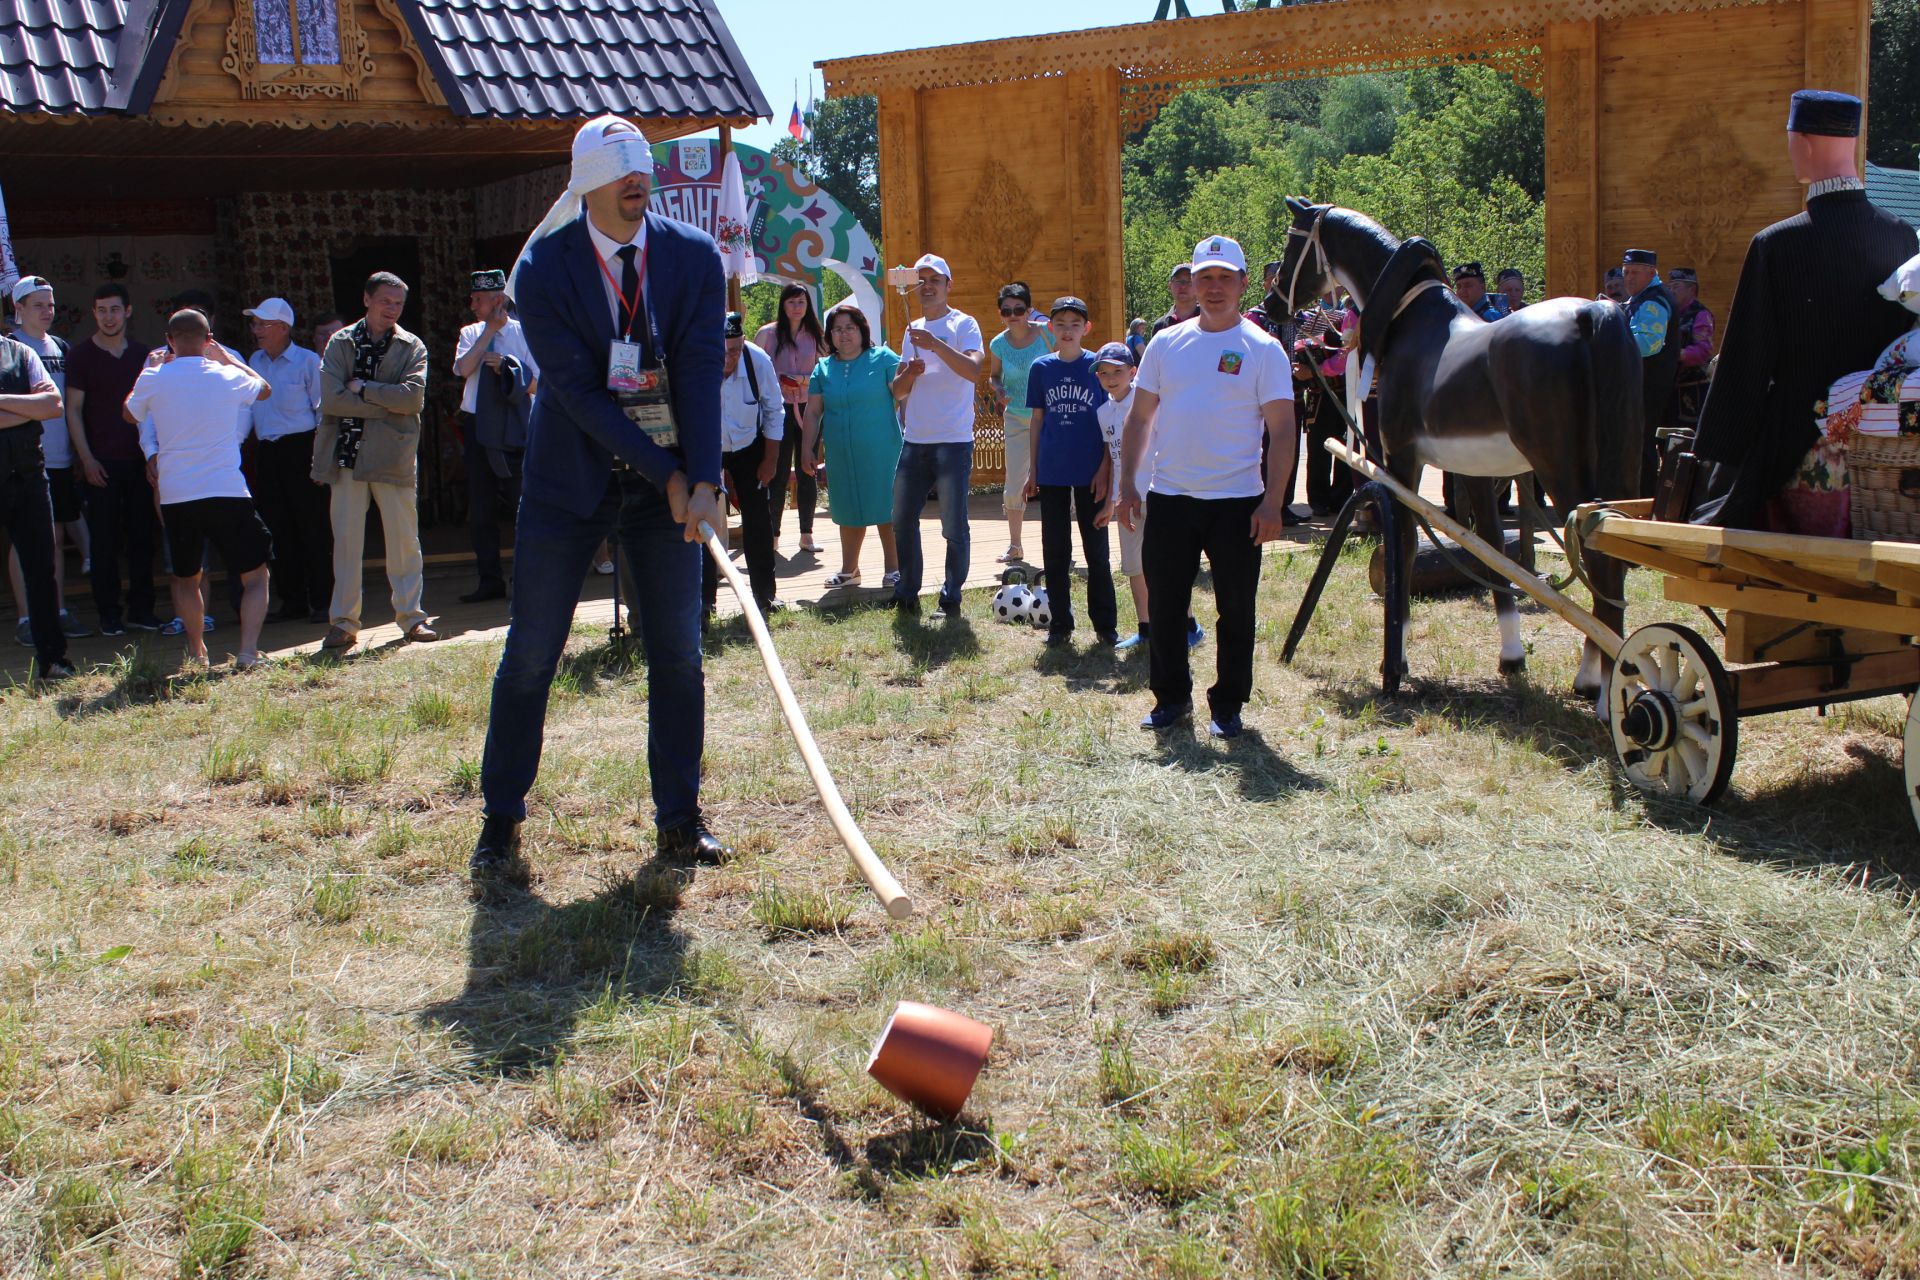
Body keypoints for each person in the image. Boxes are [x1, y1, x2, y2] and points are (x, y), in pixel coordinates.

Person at [473, 114, 730, 889]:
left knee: (679, 657)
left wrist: (705, 479)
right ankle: (501, 819)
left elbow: (696, 368)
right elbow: (579, 394)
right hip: (569, 485)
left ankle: (680, 821)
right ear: (586, 182)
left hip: (667, 491)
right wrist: (668, 470)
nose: (636, 182)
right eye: (619, 170)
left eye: (642, 169)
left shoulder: (691, 257)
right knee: (532, 654)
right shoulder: (543, 270)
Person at [1690, 90, 1919, 531]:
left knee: (1714, 504)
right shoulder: (1901, 237)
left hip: (1799, 439)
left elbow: (1746, 366)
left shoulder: (1777, 244)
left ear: (1804, 142)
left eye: (1790, 138)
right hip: (1885, 446)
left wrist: (1714, 452)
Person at [1113, 234, 1294, 740]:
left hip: (1238, 503)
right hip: (1171, 497)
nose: (1214, 288)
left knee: (1236, 608)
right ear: (1191, 283)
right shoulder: (1166, 344)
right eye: (1204, 278)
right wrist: (1128, 484)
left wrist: (1273, 501)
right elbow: (1139, 420)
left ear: (1241, 283)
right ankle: (1171, 700)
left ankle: (1228, 704)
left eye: (1224, 278)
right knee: (1166, 606)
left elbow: (1282, 430)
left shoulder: (1264, 349)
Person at [123, 309, 274, 668]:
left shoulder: (154, 376)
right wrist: (228, 360)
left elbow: (129, 414)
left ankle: (197, 651)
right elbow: (264, 390)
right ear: (209, 340)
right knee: (255, 574)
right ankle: (248, 652)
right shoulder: (226, 374)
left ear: (170, 340)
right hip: (226, 489)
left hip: (178, 493)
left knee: (186, 578)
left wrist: (148, 371)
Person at [314, 271, 437, 651]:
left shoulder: (411, 345)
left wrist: (365, 388)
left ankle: (412, 618)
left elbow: (412, 399)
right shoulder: (341, 342)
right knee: (347, 541)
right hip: (347, 454)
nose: (392, 309)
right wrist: (384, 406)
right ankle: (344, 622)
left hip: (392, 454)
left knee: (404, 540)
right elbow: (332, 399)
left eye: (398, 303)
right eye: (385, 301)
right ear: (367, 299)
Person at [889, 253, 984, 619]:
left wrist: (936, 346)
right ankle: (907, 592)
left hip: (953, 440)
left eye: (935, 280)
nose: (927, 286)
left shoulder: (964, 324)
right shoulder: (911, 329)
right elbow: (897, 392)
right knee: (902, 518)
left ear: (948, 286)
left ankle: (951, 597)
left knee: (953, 525)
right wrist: (909, 374)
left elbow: (974, 370)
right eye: (922, 280)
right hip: (915, 441)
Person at [1092, 341, 1201, 655]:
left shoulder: (1151, 405)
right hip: (1126, 501)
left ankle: (1188, 625)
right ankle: (1146, 628)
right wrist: (1111, 502)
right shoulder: (1103, 413)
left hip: (1159, 494)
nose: (1111, 378)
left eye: (1118, 371)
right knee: (1135, 568)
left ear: (1133, 372)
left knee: (1167, 566)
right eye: (1104, 373)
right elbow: (1115, 459)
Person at [65, 282, 158, 636]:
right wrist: (86, 459)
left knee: (141, 538)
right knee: (103, 543)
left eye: (115, 309)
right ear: (94, 313)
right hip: (100, 463)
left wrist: (153, 456)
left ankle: (142, 610)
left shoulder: (142, 356)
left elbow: (152, 407)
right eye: (102, 310)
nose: (108, 317)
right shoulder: (80, 356)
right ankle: (108, 614)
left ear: (128, 311)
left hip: (139, 462)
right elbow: (73, 411)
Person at [1023, 296, 1116, 646]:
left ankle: (1105, 625)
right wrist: (1033, 469)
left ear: (1086, 328)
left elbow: (1109, 422)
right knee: (1056, 549)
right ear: (1050, 328)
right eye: (1060, 324)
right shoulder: (1041, 368)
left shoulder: (1098, 366)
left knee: (1097, 551)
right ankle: (1060, 624)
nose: (1067, 330)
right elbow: (1037, 421)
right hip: (1053, 470)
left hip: (1091, 470)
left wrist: (1106, 467)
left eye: (1074, 324)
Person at [6, 276, 89, 645]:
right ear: (18, 309)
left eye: (50, 304)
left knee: (52, 540)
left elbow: (59, 406)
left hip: (60, 458)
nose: (47, 311)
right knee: (23, 540)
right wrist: (31, 410)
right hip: (21, 461)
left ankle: (56, 610)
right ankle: (27, 616)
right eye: (38, 305)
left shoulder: (59, 346)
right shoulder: (12, 349)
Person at [452, 268, 541, 604]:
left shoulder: (526, 332)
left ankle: (525, 579)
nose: (472, 304)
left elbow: (540, 385)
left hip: (517, 425)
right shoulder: (471, 331)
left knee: (523, 505)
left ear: (498, 300)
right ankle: (489, 579)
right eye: (473, 298)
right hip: (478, 427)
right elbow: (462, 369)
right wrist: (489, 330)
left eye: (479, 299)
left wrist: (508, 367)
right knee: (482, 509)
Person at [243, 296, 331, 625]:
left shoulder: (308, 362)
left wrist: (320, 458)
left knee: (314, 528)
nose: (256, 330)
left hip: (303, 449)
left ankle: (322, 601)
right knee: (277, 529)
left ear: (283, 328)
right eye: (254, 324)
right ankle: (292, 600)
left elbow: (323, 413)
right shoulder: (254, 360)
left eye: (262, 324)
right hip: (267, 451)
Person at [801, 305, 901, 588]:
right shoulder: (823, 367)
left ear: (862, 330)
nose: (843, 334)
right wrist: (807, 448)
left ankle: (894, 569)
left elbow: (904, 393)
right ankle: (850, 571)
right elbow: (812, 412)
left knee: (887, 507)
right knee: (847, 508)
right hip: (841, 453)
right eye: (837, 329)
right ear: (829, 335)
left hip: (882, 450)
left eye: (850, 328)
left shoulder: (883, 358)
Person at [0, 323, 74, 678]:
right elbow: (37, 406)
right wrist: (25, 409)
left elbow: (53, 405)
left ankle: (53, 659)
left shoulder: (21, 352)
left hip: (27, 478)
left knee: (42, 570)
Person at [702, 311, 783, 616]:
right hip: (707, 447)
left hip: (750, 445)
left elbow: (775, 411)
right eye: (721, 350)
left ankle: (765, 595)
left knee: (758, 517)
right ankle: (704, 601)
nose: (728, 357)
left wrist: (771, 460)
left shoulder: (758, 361)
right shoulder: (696, 360)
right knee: (705, 521)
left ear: (744, 343)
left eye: (735, 350)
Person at [986, 281, 1053, 564]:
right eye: (1007, 310)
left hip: (1049, 417)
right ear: (1000, 314)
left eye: (1019, 309)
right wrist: (998, 390)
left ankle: (1062, 544)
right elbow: (994, 375)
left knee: (1057, 481)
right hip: (1015, 418)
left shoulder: (1047, 334)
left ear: (1029, 310)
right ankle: (1015, 545)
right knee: (1015, 480)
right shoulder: (998, 344)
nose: (1013, 315)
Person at [755, 284, 825, 554]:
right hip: (776, 408)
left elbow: (824, 370)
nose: (797, 307)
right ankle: (772, 534)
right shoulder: (767, 334)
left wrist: (804, 380)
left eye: (802, 302)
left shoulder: (816, 335)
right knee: (778, 471)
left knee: (808, 468)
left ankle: (806, 534)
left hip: (809, 406)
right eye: (792, 302)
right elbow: (757, 371)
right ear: (783, 304)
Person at [1620, 249, 1679, 494]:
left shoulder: (1653, 301)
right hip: (1643, 386)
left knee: (1641, 445)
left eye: (1635, 272)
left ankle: (1643, 499)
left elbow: (1648, 345)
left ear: (1652, 273)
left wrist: (1610, 340)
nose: (1629, 278)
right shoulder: (1642, 298)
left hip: (1649, 387)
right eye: (1626, 272)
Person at [1666, 267, 1715, 431]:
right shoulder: (1668, 314)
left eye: (1676, 286)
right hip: (1668, 388)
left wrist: (1677, 354)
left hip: (1692, 389)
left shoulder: (1701, 314)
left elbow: (1703, 350)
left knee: (1686, 437)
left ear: (1691, 289)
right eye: (1670, 287)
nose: (1671, 291)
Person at [1148, 263, 1197, 339]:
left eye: (1189, 281)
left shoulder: (1209, 319)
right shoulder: (1160, 326)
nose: (1183, 286)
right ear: (1170, 286)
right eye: (1178, 281)